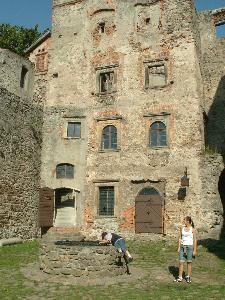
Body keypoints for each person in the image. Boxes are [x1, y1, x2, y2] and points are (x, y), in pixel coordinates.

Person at [174, 216, 197, 283]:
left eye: (184, 220)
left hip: (190, 247)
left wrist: (195, 250)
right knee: (181, 262)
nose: (183, 221)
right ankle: (180, 277)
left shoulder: (193, 229)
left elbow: (195, 240)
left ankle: (188, 277)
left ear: (188, 221)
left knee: (189, 262)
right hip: (182, 247)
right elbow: (180, 238)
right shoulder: (182, 228)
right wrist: (178, 247)